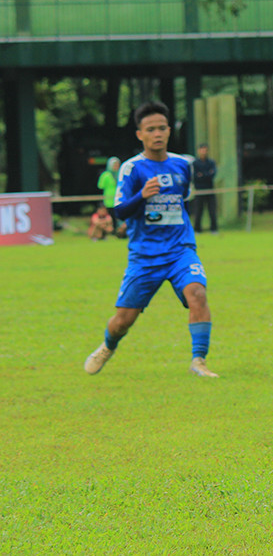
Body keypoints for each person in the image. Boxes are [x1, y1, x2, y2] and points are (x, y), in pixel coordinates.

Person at [84, 101, 219, 378]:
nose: (157, 134)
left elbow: (183, 200)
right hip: (145, 255)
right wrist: (142, 196)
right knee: (123, 320)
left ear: (169, 131)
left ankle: (199, 361)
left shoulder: (182, 165)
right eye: (150, 129)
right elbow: (120, 210)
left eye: (161, 128)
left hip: (180, 249)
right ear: (140, 134)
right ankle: (108, 346)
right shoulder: (132, 168)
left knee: (197, 293)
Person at [191, 143, 219, 233]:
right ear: (198, 151)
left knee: (212, 210)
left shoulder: (211, 162)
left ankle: (214, 229)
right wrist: (205, 175)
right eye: (201, 150)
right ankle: (197, 229)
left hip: (210, 189)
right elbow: (195, 176)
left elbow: (212, 174)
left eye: (205, 150)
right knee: (198, 210)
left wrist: (202, 175)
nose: (203, 152)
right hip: (199, 190)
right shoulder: (195, 163)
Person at [97, 156, 125, 237]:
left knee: (120, 216)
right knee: (111, 216)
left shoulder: (121, 174)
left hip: (120, 198)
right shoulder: (106, 175)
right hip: (109, 200)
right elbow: (100, 185)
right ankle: (112, 231)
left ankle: (121, 232)